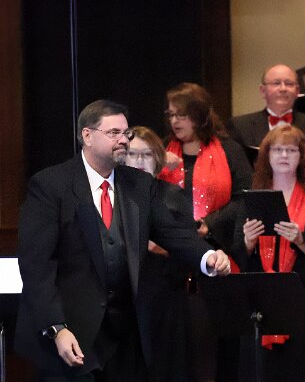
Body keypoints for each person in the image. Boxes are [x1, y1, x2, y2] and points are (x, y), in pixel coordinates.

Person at [14, 99, 230, 382]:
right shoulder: (51, 185)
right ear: (87, 135)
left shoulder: (139, 184)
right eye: (113, 133)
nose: (123, 140)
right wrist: (56, 328)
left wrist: (207, 257)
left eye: (126, 133)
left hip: (126, 337)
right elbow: (37, 266)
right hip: (71, 332)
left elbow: (172, 232)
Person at [158, 83, 252, 381]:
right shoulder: (162, 150)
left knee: (221, 342)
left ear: (199, 115)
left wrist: (210, 222)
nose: (175, 121)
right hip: (171, 259)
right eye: (171, 115)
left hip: (219, 252)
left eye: (182, 115)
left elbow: (244, 198)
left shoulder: (229, 149)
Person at [233, 125, 305, 381]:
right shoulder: (252, 199)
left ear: (302, 157)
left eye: (291, 150)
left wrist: (301, 240)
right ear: (267, 156)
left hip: (304, 300)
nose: (283, 155)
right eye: (277, 149)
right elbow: (237, 253)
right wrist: (248, 242)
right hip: (261, 301)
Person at [125, 125, 194, 382]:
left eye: (147, 154)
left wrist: (165, 247)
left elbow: (189, 253)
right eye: (133, 154)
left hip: (166, 299)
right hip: (124, 300)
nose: (139, 161)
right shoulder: (111, 196)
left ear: (157, 159)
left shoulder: (173, 196)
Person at [227, 64, 305, 151]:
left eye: (289, 84)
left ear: (297, 91)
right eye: (276, 83)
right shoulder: (240, 126)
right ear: (263, 91)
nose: (283, 89)